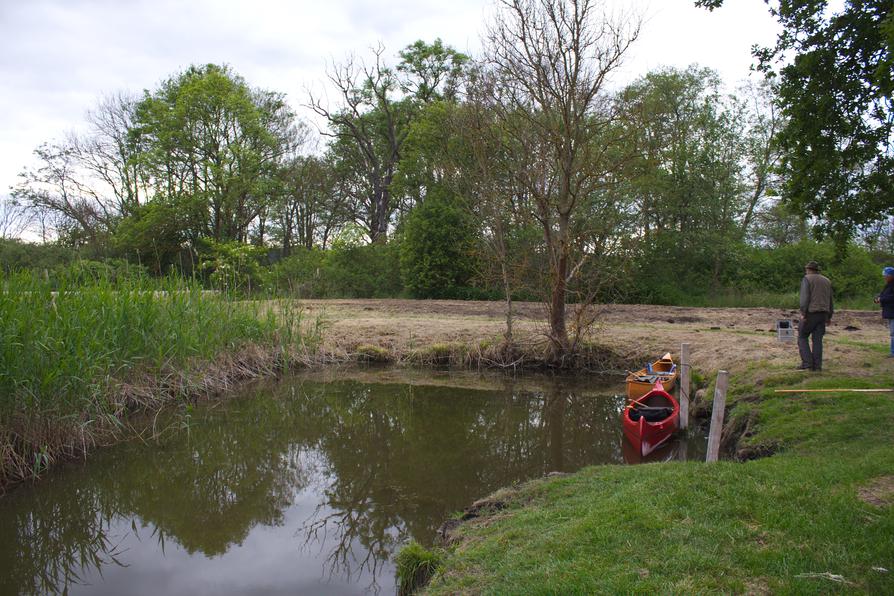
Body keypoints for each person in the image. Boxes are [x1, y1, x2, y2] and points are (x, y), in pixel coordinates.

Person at [797, 261, 833, 371]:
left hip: (811, 313)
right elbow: (830, 300)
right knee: (817, 341)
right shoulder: (827, 280)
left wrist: (803, 313)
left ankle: (807, 363)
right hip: (823, 314)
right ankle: (817, 366)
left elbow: (805, 298)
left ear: (808, 269)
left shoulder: (807, 279)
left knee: (802, 337)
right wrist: (829, 316)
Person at [874, 266, 894, 357]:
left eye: (886, 275)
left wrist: (881, 299)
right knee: (892, 332)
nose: (884, 277)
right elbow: (883, 295)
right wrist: (878, 298)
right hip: (890, 312)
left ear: (891, 276)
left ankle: (893, 352)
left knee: (893, 332)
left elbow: (891, 297)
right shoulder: (888, 284)